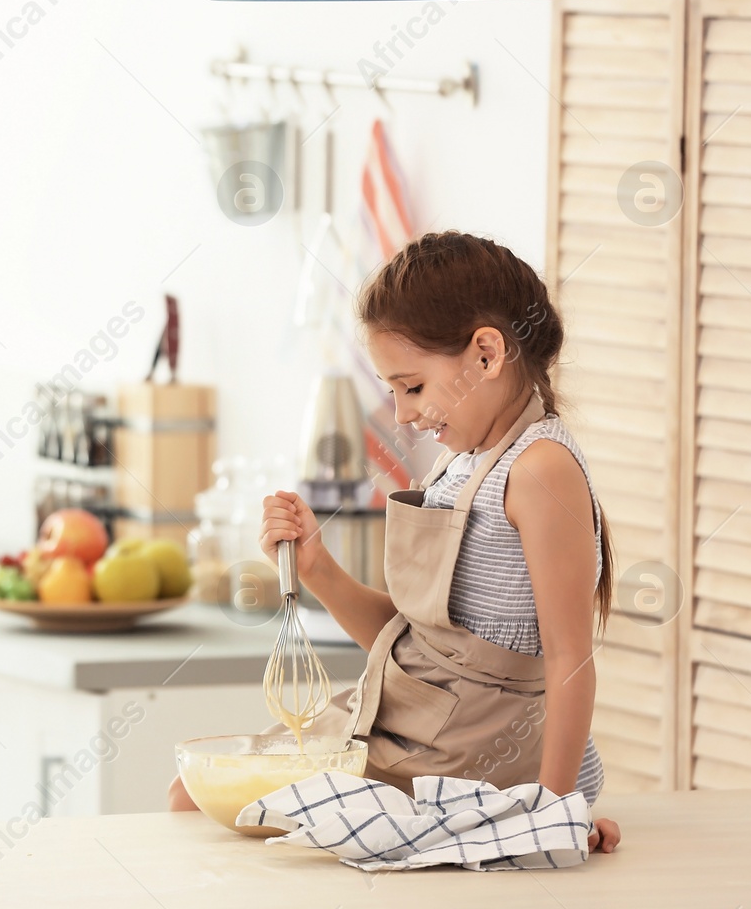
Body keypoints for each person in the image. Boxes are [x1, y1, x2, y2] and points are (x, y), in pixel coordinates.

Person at [169, 230, 621, 854]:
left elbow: (571, 658)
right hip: (405, 723)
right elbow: (415, 645)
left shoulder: (540, 471)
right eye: (394, 392)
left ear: (487, 354)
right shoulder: (458, 463)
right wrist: (317, 566)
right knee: (189, 792)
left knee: (238, 813)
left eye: (413, 387)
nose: (405, 415)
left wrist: (552, 813)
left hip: (470, 750)